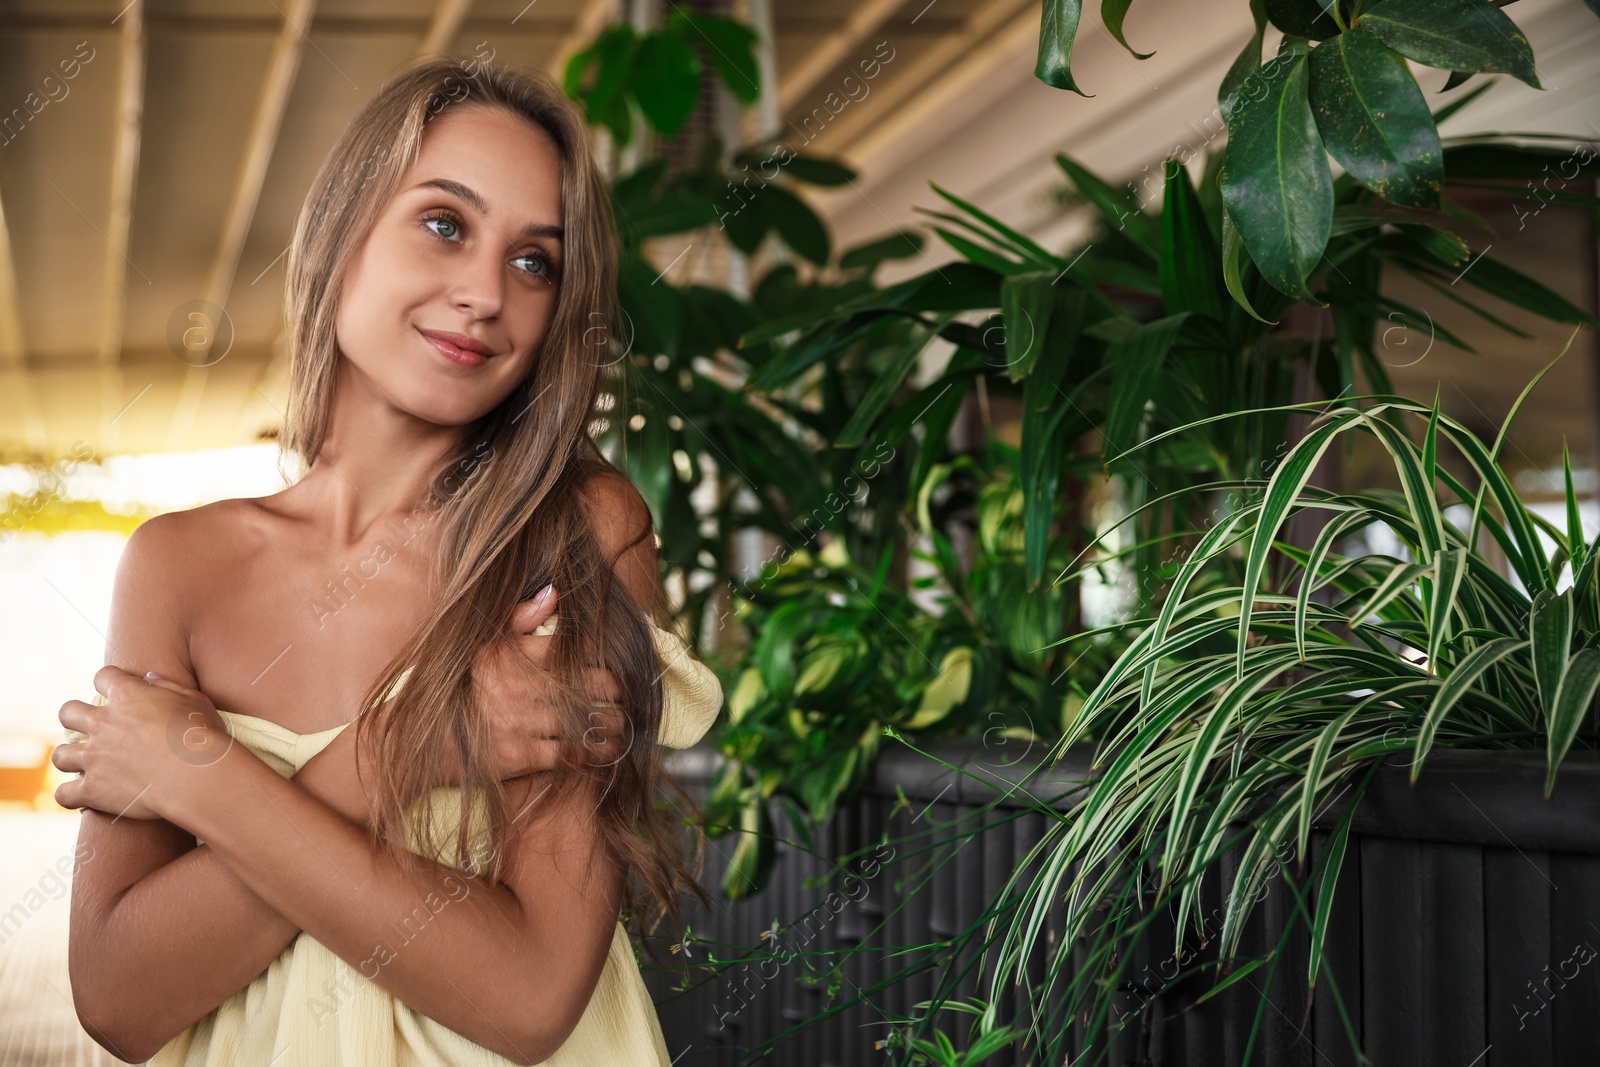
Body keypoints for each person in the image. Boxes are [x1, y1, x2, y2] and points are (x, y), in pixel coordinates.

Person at [50, 54, 722, 1066]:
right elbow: (121, 994)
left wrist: (209, 782)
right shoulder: (177, 564)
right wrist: (410, 746)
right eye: (445, 224)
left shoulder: (574, 530)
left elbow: (530, 993)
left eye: (533, 260)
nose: (485, 293)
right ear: (343, 233)